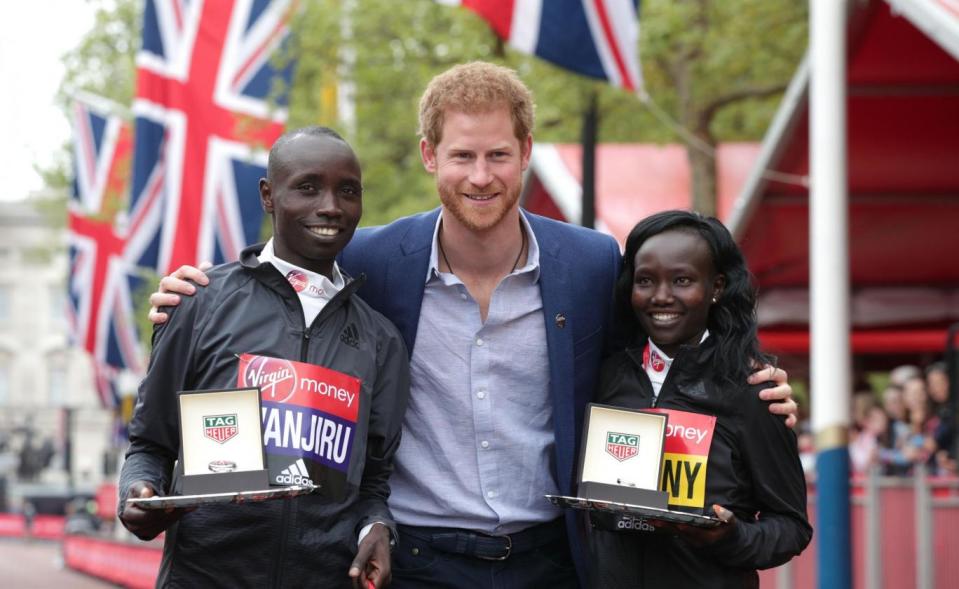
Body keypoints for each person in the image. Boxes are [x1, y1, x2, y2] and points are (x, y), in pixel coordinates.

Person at [146, 62, 798, 587]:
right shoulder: (369, 258)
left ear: (525, 153)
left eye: (497, 155)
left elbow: (660, 357)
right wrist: (192, 289)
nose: (480, 177)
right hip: (416, 559)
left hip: (555, 556)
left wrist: (750, 387)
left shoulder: (593, 263)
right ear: (429, 155)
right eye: (462, 156)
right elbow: (283, 267)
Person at [118, 127, 411, 589]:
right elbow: (151, 444)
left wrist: (379, 528)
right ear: (269, 195)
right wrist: (139, 497)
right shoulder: (198, 303)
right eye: (308, 187)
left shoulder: (381, 341)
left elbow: (373, 482)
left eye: (348, 191)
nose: (331, 206)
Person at [587, 210, 812, 588]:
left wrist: (731, 538)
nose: (661, 296)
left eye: (682, 280)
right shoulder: (602, 375)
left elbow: (791, 527)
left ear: (716, 287)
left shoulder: (754, 391)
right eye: (645, 281)